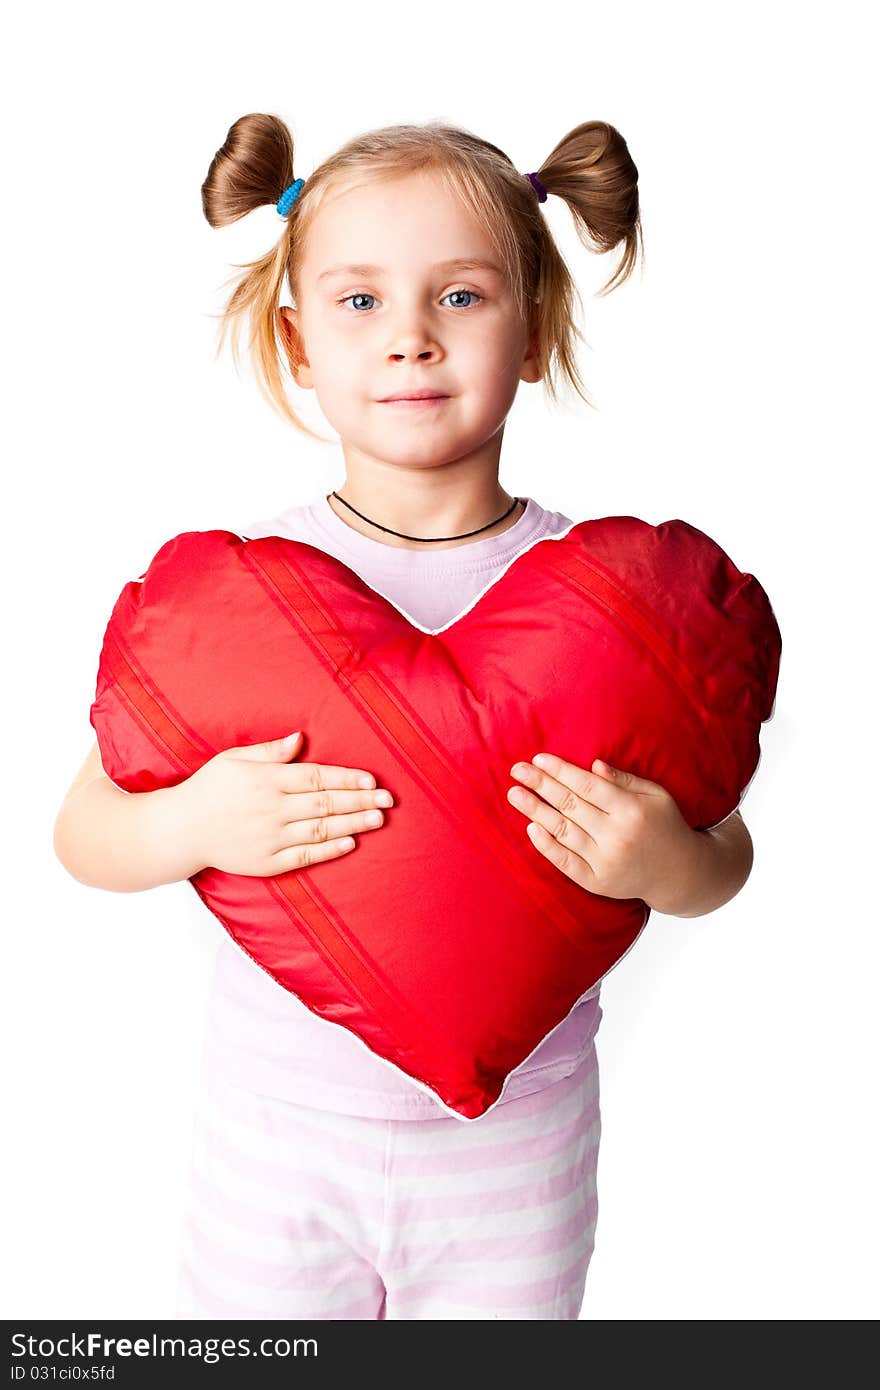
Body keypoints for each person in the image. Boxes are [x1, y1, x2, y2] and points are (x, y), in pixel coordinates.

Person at [53, 112, 755, 1320]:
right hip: (275, 1143)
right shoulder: (243, 592)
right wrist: (201, 820)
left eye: (463, 298)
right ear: (297, 343)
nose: (411, 342)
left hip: (513, 1157)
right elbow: (85, 831)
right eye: (360, 303)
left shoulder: (602, 601)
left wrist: (668, 859)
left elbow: (722, 846)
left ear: (532, 331)